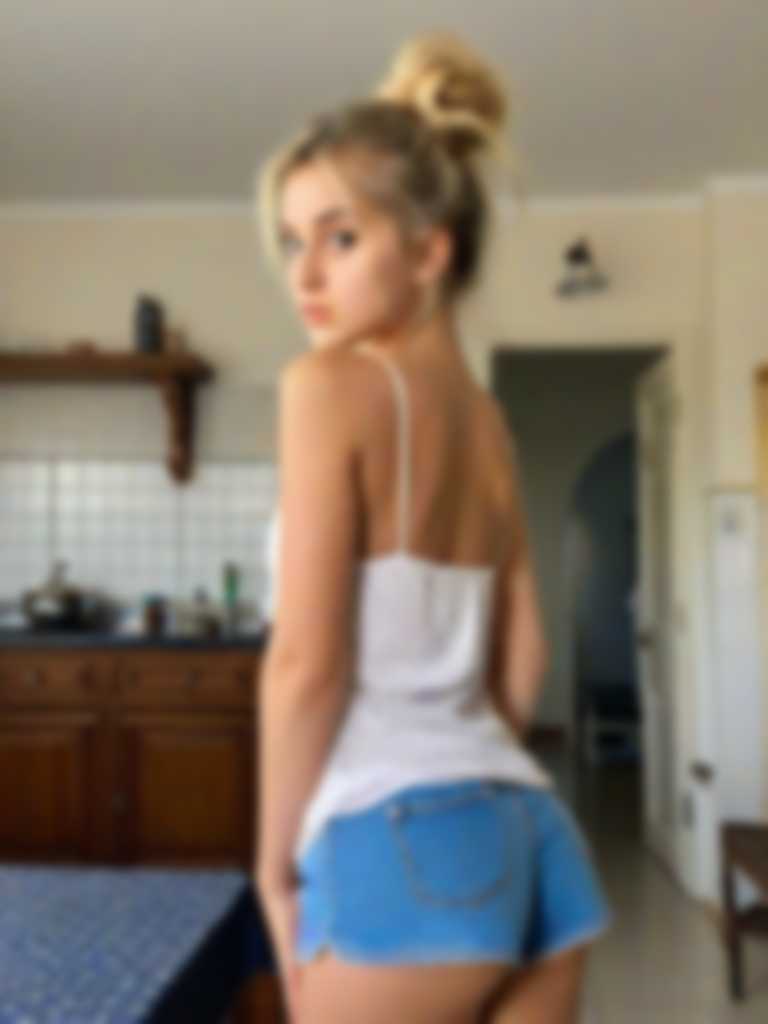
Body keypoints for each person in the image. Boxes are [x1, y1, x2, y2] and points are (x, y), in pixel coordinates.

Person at [254, 30, 613, 1023]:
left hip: (397, 843)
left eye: (339, 238)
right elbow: (525, 655)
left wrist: (273, 864)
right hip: (531, 837)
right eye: (291, 241)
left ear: (427, 249)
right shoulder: (488, 423)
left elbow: (305, 666)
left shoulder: (330, 385)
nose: (304, 274)